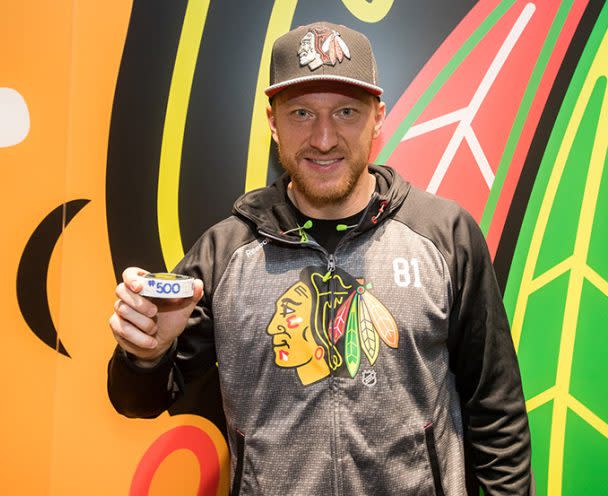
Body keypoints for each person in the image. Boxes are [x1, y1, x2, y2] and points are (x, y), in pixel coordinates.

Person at [108, 21, 533, 495]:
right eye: (302, 114)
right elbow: (137, 402)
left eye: (347, 112)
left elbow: (497, 415)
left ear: (378, 117)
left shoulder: (445, 236)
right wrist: (145, 355)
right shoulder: (225, 253)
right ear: (273, 121)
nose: (325, 138)